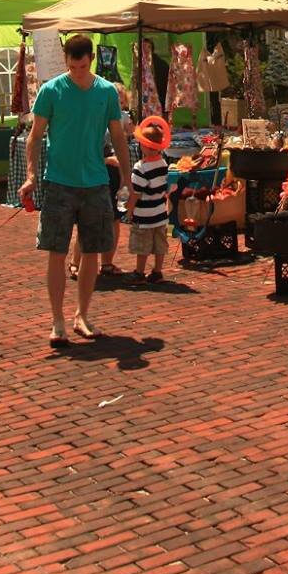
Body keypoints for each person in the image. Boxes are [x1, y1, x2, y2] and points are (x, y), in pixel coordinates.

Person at [19, 33, 131, 346]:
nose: (78, 72)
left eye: (82, 66)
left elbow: (119, 136)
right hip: (59, 182)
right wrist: (30, 175)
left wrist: (126, 176)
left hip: (95, 182)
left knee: (93, 251)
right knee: (56, 252)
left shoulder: (106, 91)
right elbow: (35, 136)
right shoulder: (51, 89)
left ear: (91, 60)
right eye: (72, 66)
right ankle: (57, 321)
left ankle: (82, 314)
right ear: (67, 61)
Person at [127, 117, 174, 282]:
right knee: (160, 243)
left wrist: (130, 209)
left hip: (144, 213)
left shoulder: (141, 168)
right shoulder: (162, 163)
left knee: (142, 243)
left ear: (145, 145)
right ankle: (157, 271)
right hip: (160, 211)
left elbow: (136, 193)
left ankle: (139, 272)